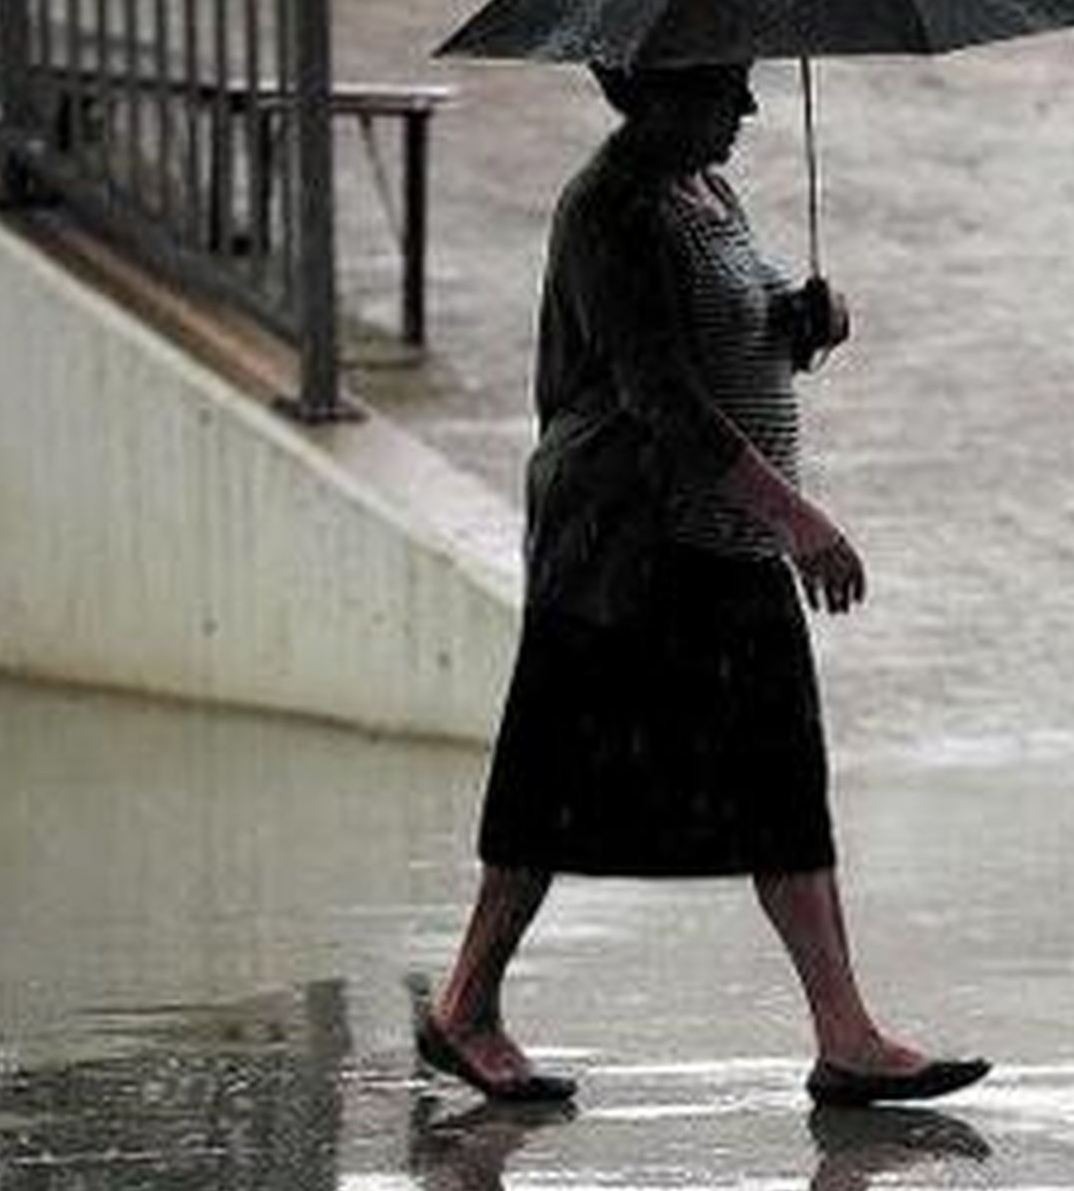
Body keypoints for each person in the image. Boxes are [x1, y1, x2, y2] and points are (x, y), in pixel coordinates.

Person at [417, 61, 990, 1109]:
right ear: (658, 94)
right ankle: (465, 1004)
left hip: (727, 538)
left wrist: (799, 323)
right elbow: (663, 400)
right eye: (726, 88)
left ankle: (846, 1035)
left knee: (783, 779)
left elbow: (726, 336)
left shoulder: (706, 190)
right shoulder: (611, 211)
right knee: (555, 783)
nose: (748, 108)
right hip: (623, 548)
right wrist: (800, 519)